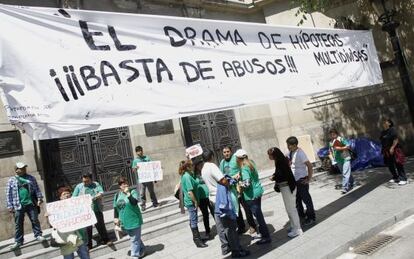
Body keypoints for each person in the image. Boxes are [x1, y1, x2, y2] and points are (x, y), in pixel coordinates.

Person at [201, 149, 250, 258]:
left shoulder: (203, 168)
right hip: (222, 199)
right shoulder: (212, 166)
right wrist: (230, 183)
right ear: (212, 156)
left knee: (222, 226)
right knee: (230, 227)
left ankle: (226, 247)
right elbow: (222, 180)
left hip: (214, 199)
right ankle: (236, 251)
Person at [234, 149, 271, 245]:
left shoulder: (244, 167)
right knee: (259, 214)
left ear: (238, 158)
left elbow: (247, 183)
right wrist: (240, 175)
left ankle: (266, 236)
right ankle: (263, 233)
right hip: (257, 191)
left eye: (236, 158)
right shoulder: (251, 163)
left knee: (258, 217)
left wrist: (239, 183)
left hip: (251, 195)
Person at [6, 162, 45, 250]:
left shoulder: (31, 178)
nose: (23, 169)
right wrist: (10, 205)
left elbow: (36, 189)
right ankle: (18, 241)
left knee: (35, 220)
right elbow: (9, 194)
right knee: (18, 223)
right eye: (21, 168)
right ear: (16, 170)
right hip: (18, 205)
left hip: (31, 203)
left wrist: (39, 198)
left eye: (24, 168)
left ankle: (38, 235)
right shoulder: (11, 180)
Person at [219, 146, 257, 235]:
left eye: (228, 151)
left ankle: (252, 225)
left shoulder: (235, 159)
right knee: (237, 209)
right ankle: (241, 227)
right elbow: (221, 175)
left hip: (240, 188)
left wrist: (237, 175)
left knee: (246, 208)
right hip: (231, 190)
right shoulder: (222, 162)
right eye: (224, 152)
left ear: (231, 152)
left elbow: (242, 168)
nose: (226, 153)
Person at [268, 147, 303, 238]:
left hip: (288, 188)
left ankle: (297, 229)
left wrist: (274, 177)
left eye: (270, 155)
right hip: (286, 188)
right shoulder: (280, 161)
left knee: (292, 209)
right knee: (289, 209)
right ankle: (293, 227)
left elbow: (282, 174)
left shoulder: (281, 162)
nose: (269, 157)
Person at [72, 173, 111, 249]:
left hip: (96, 208)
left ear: (91, 180)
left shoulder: (96, 184)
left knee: (100, 225)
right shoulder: (79, 187)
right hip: (85, 211)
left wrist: (96, 196)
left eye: (87, 181)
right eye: (84, 181)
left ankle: (106, 240)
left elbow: (101, 192)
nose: (85, 183)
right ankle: (88, 244)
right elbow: (73, 197)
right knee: (87, 228)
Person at [286, 136, 316, 226]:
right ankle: (302, 216)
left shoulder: (300, 153)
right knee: (297, 201)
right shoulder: (291, 152)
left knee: (307, 200)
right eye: (287, 145)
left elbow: (309, 166)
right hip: (295, 181)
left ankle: (311, 217)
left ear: (295, 145)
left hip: (301, 181)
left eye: (289, 145)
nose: (288, 147)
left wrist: (308, 179)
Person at [113, 177, 145, 259]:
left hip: (134, 220)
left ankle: (135, 255)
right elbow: (115, 207)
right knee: (134, 237)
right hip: (124, 221)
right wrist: (115, 218)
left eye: (127, 183)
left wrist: (128, 194)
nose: (126, 185)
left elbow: (134, 202)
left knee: (134, 239)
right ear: (120, 186)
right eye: (123, 184)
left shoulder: (133, 191)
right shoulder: (117, 195)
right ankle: (142, 248)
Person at [54, 186, 90, 259]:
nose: (67, 195)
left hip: (77, 237)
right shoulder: (55, 208)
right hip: (65, 239)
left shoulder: (76, 206)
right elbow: (53, 223)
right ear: (60, 197)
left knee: (85, 256)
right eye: (64, 194)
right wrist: (48, 216)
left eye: (68, 194)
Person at [179, 160, 208, 248]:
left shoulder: (188, 175)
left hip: (192, 201)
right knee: (194, 220)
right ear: (187, 167)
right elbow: (190, 192)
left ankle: (197, 238)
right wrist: (195, 202)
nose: (193, 166)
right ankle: (197, 241)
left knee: (193, 219)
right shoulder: (187, 176)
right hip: (191, 202)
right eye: (191, 165)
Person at [380, 119, 407, 185]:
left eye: (385, 122)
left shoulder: (392, 130)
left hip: (394, 149)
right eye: (383, 122)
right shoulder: (383, 132)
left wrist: (392, 147)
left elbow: (396, 139)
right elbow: (383, 141)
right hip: (386, 151)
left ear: (389, 123)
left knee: (398, 163)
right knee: (390, 165)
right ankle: (395, 177)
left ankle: (403, 179)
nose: (383, 123)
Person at [132, 145, 159, 211]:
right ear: (136, 152)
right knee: (142, 193)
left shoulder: (147, 158)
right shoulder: (135, 161)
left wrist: (155, 177)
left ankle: (155, 203)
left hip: (149, 178)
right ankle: (143, 205)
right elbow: (133, 170)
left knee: (151, 191)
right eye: (138, 151)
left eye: (141, 150)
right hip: (141, 180)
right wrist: (135, 168)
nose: (140, 152)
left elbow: (152, 167)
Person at [328, 129, 354, 193]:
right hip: (338, 160)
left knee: (345, 173)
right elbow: (330, 152)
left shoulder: (341, 139)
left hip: (346, 158)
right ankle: (351, 182)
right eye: (331, 134)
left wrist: (340, 148)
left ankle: (345, 188)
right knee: (345, 173)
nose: (332, 135)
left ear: (336, 134)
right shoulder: (330, 143)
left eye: (333, 134)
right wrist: (332, 160)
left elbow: (348, 146)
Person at [194, 160, 214, 238]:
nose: (200, 166)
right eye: (198, 165)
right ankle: (208, 232)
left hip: (209, 195)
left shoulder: (205, 171)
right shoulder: (194, 175)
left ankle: (220, 229)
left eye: (200, 164)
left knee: (214, 212)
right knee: (205, 215)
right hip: (201, 198)